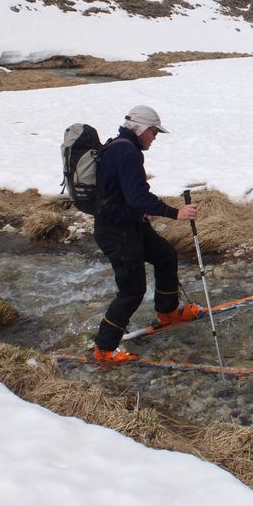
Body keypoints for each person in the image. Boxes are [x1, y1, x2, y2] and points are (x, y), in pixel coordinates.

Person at [91, 105, 201, 363]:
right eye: (154, 132)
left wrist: (137, 210)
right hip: (116, 231)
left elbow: (124, 194)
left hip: (129, 223)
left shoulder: (118, 146)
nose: (155, 137)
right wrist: (175, 213)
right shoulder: (126, 152)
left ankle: (168, 312)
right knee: (132, 290)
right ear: (142, 129)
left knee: (165, 255)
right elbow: (138, 196)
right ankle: (104, 349)